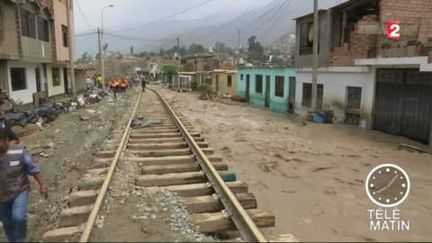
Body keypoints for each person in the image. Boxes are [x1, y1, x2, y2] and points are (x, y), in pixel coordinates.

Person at [0, 127, 48, 242]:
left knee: (19, 217)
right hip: (1, 196)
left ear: (6, 140)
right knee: (7, 222)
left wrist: (42, 185)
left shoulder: (18, 151)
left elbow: (33, 169)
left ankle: (20, 240)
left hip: (19, 190)